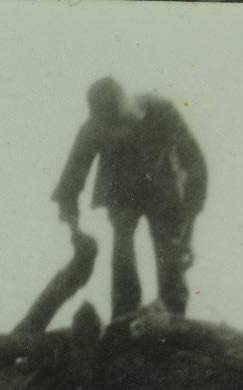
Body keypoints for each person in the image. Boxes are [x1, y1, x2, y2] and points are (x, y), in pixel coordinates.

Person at [52, 77, 208, 319]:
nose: (119, 130)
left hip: (163, 187)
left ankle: (173, 318)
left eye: (122, 123)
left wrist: (188, 233)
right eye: (111, 127)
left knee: (169, 251)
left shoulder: (162, 112)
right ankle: (124, 316)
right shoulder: (93, 128)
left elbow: (196, 167)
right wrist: (75, 231)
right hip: (121, 190)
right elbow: (70, 182)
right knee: (122, 247)